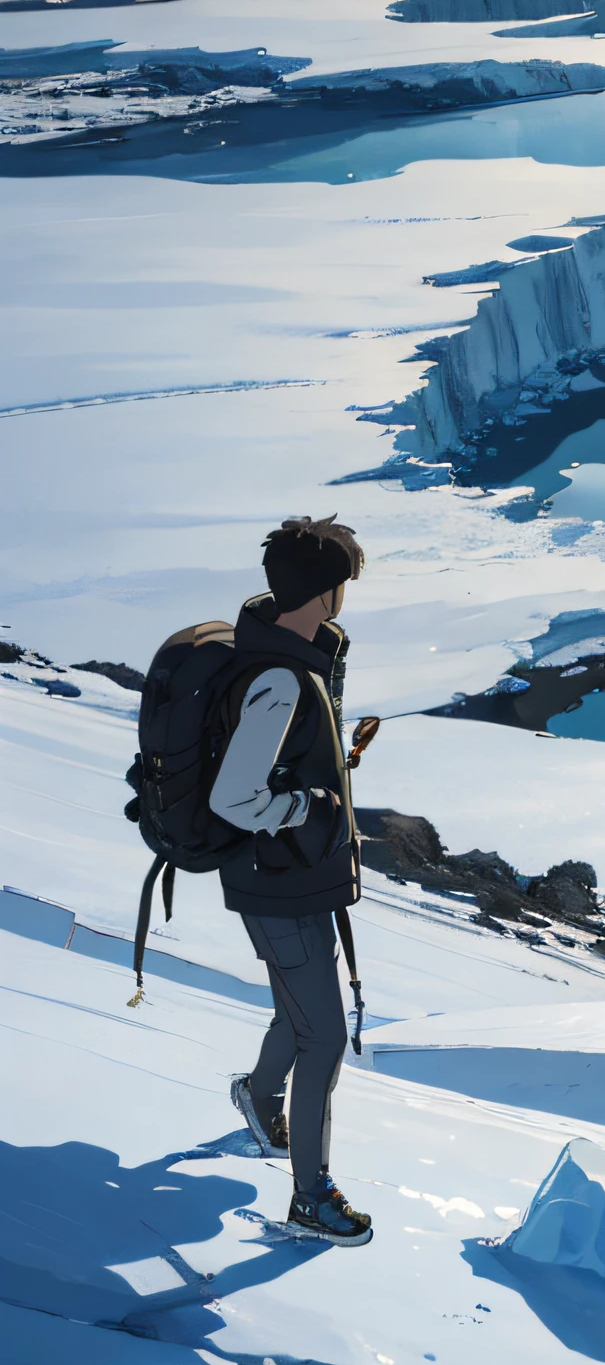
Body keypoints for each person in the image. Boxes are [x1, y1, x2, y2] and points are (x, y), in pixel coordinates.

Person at [213, 514, 373, 1246]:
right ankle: (310, 1197)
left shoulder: (289, 654)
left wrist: (324, 775)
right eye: (342, 582)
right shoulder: (280, 677)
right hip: (280, 887)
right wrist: (307, 804)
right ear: (325, 591)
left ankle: (257, 1094)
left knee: (301, 1009)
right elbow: (233, 797)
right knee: (325, 1038)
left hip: (286, 880)